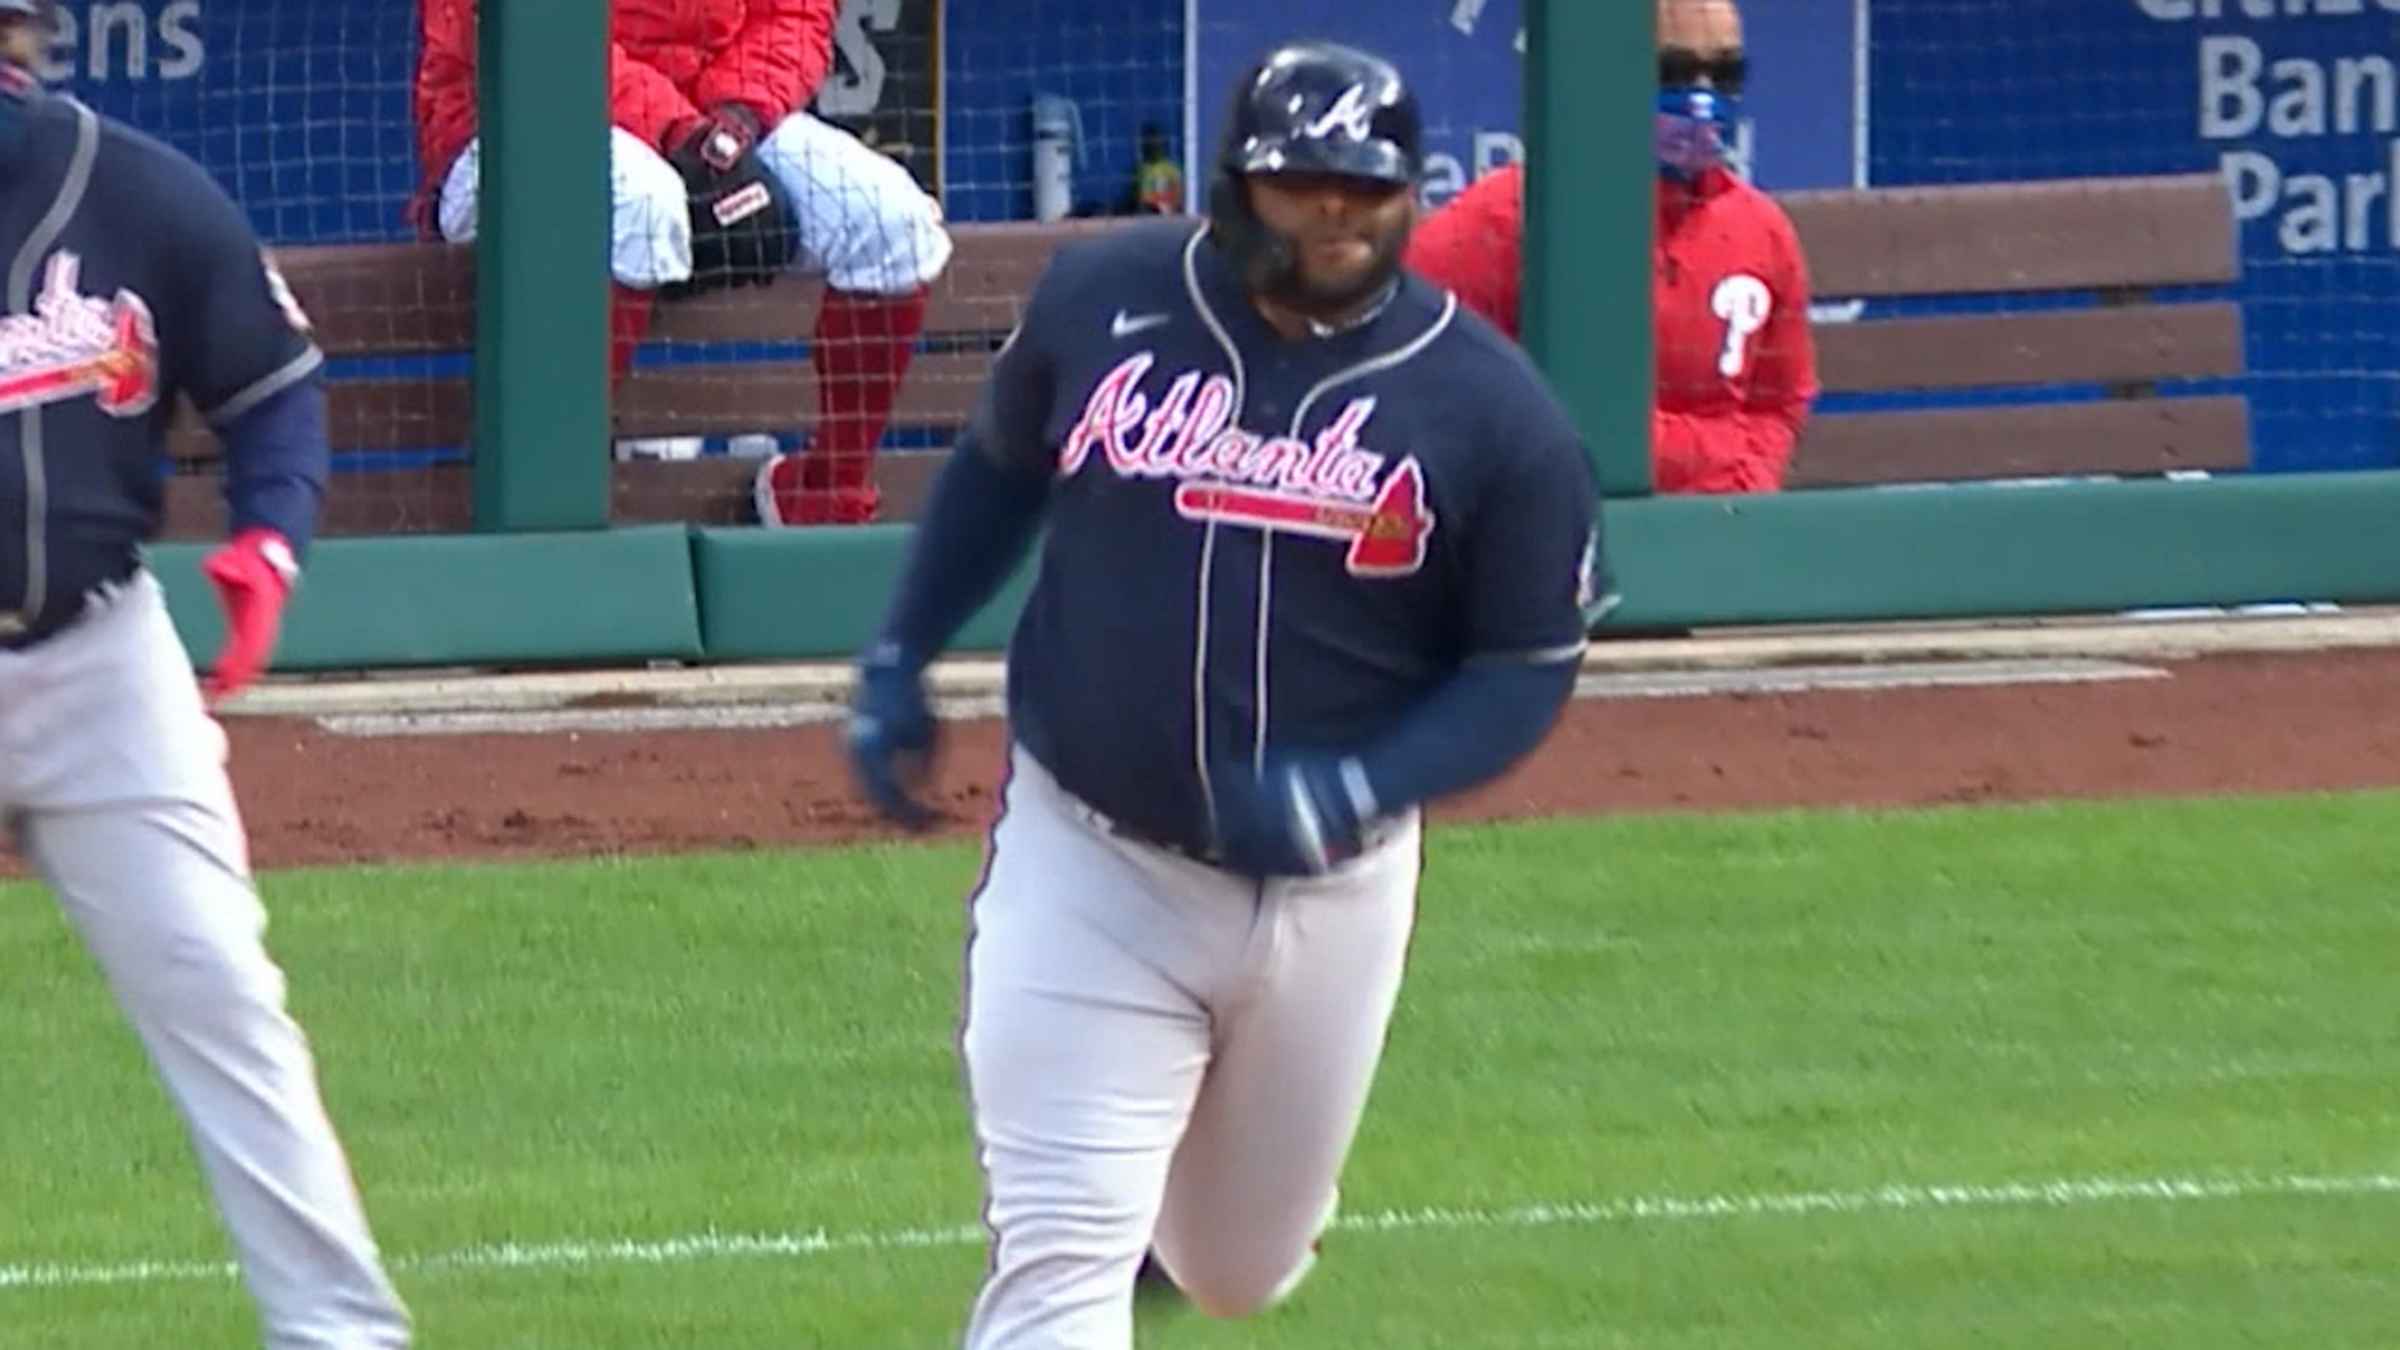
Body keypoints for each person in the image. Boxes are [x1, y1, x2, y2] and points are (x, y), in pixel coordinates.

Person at [846, 38, 1609, 1348]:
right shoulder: (1103, 301)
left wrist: (1365, 783)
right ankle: (1109, 1193)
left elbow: (1524, 670)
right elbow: (994, 473)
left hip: (1337, 891)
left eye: (1364, 189)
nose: (1334, 214)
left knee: (1235, 1268)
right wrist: (898, 652)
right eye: (1301, 183)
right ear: (1230, 186)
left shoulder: (1494, 415)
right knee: (1061, 1249)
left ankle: (1181, 1210)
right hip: (1091, 864)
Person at [0, 2, 412, 1344]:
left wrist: (270, 542)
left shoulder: (140, 194)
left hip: (103, 666)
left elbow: (272, 386)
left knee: (223, 996)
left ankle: (342, 1334)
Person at [411, 0, 955, 524]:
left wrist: (736, 118)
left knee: (892, 222)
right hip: (505, 119)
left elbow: (796, 11)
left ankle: (822, 495)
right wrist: (679, 131)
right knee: (643, 201)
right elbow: (525, 35)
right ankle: (536, 496)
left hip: (704, 110)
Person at [1403, 0, 1818, 495]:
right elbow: (1422, 375)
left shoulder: (1762, 229)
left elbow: (1781, 400)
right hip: (1548, 518)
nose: (1702, 99)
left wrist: (1735, 491)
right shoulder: (1508, 218)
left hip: (1717, 526)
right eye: (1673, 73)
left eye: (1724, 73)